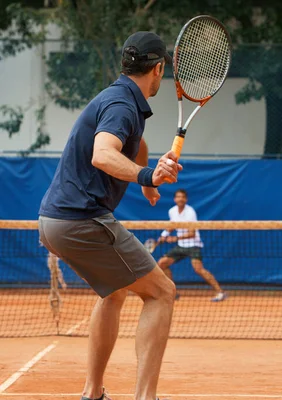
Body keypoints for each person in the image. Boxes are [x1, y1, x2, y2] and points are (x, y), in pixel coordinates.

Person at [38, 31, 180, 400]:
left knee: (114, 292)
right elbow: (102, 154)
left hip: (53, 221)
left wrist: (147, 180)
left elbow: (136, 142)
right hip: (81, 219)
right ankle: (145, 397)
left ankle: (92, 393)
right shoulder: (122, 105)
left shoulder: (120, 99)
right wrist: (146, 175)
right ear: (159, 68)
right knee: (162, 293)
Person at [157, 189, 227, 302]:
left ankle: (220, 292)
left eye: (183, 197)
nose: (180, 199)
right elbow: (173, 225)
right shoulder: (172, 211)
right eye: (178, 197)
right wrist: (163, 235)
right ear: (175, 199)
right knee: (162, 263)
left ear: (186, 199)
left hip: (193, 245)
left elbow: (192, 233)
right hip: (181, 246)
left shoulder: (190, 212)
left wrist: (175, 238)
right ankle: (172, 292)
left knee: (198, 269)